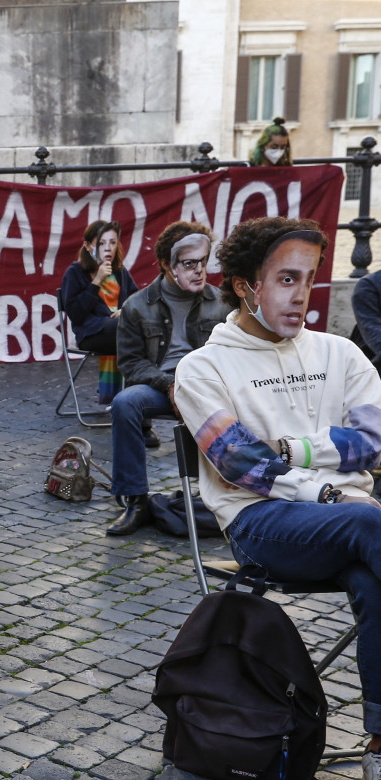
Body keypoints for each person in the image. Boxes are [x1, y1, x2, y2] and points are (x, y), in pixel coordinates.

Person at [174, 217, 381, 778]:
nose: (302, 296)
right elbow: (241, 464)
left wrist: (289, 449)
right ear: (245, 285)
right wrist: (332, 491)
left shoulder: (342, 354)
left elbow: (373, 442)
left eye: (309, 280)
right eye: (286, 279)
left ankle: (380, 743)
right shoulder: (201, 369)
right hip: (262, 525)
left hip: (358, 528)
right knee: (371, 529)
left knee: (371, 575)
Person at [106, 222, 231, 536]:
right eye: (189, 263)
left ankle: (224, 493)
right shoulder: (136, 306)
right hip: (160, 385)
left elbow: (234, 359)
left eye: (203, 262)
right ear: (165, 264)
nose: (199, 271)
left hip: (205, 387)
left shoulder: (221, 303)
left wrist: (193, 387)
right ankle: (136, 500)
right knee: (124, 403)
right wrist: (169, 384)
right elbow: (131, 364)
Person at [60, 220, 139, 355]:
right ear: (88, 246)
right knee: (130, 325)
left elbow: (137, 299)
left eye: (112, 243)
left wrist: (125, 309)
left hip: (121, 327)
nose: (108, 248)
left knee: (149, 321)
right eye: (101, 243)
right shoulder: (75, 272)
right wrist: (96, 282)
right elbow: (75, 315)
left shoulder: (120, 272)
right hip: (91, 333)